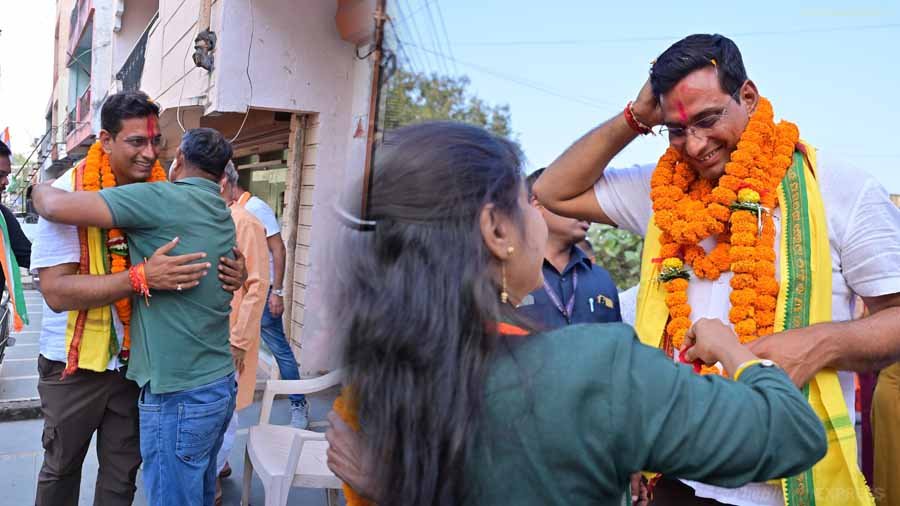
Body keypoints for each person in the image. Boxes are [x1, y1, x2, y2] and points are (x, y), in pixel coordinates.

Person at [322, 121, 826, 506]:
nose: (539, 217)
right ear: (497, 231)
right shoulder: (600, 370)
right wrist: (732, 349)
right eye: (527, 201)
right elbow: (791, 433)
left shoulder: (373, 383)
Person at [534, 33, 900, 505]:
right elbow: (553, 191)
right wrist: (636, 118)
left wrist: (820, 343)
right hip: (677, 475)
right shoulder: (660, 190)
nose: (696, 144)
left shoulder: (839, 188)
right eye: (677, 129)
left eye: (708, 119)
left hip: (793, 481)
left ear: (748, 96)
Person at [29, 92, 244, 506]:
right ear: (106, 140)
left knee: (121, 479)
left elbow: (216, 247)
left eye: (156, 142)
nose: (149, 154)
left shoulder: (162, 192)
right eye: (136, 142)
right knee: (61, 471)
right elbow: (56, 293)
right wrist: (139, 278)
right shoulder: (70, 191)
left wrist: (239, 270)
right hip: (72, 364)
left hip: (134, 368)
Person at [229, 177, 309, 428]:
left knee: (279, 350)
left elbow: (278, 249)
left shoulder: (255, 208)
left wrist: (278, 291)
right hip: (243, 296)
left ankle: (299, 404)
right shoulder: (232, 210)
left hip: (262, 293)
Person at [214, 161, 270, 504]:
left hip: (233, 336)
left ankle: (214, 474)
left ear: (221, 183)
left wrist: (238, 340)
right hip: (221, 333)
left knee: (225, 410)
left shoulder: (245, 222)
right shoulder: (224, 219)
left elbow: (257, 285)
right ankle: (218, 467)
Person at [518, 168, 620, 328]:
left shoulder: (602, 279)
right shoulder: (505, 275)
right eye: (573, 201)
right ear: (537, 205)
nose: (586, 211)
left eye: (589, 202)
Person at [0, 139, 32, 301]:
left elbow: (30, 257)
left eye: (6, 175)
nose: (5, 182)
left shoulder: (3, 217)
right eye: (0, 175)